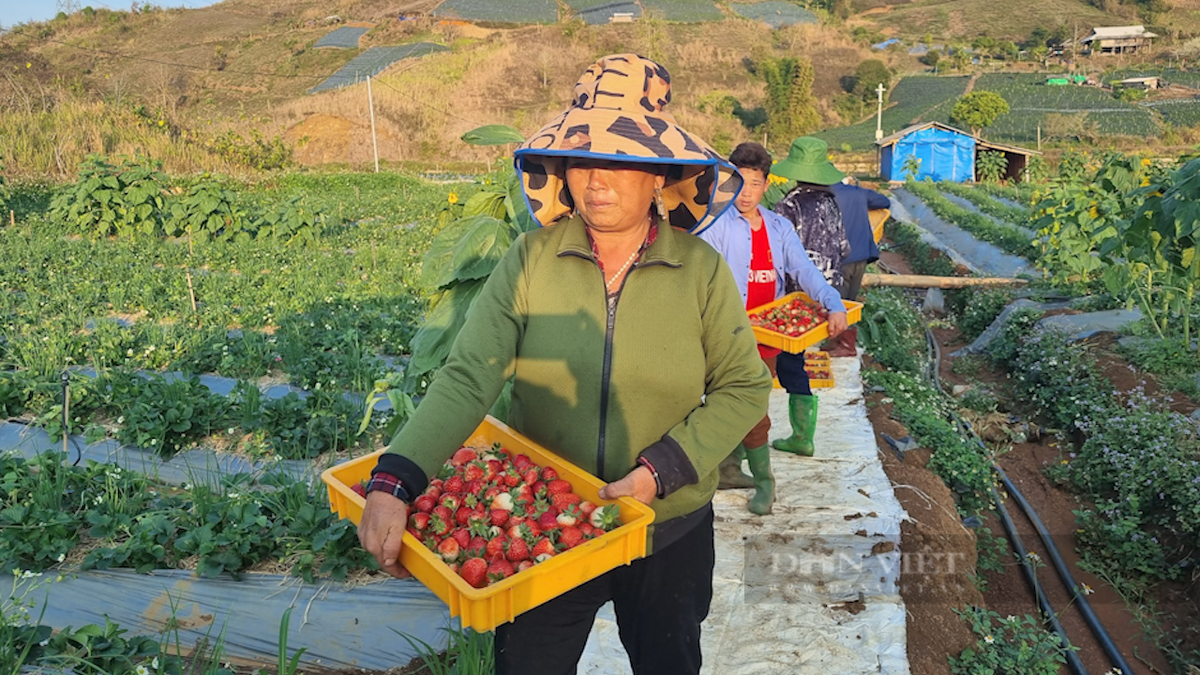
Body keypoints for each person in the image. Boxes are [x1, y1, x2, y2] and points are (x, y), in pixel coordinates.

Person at [357, 54, 770, 675]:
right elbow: (470, 375)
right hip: (546, 529)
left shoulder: (700, 270)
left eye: (618, 160)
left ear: (660, 175)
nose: (594, 179)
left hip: (667, 526)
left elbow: (743, 387)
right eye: (582, 159)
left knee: (669, 661)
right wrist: (395, 480)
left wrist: (664, 470)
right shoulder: (530, 259)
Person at [700, 142, 847, 504]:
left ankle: (751, 477)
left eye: (754, 184)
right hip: (728, 332)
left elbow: (803, 270)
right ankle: (744, 475)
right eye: (739, 183)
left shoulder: (779, 226)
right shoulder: (715, 225)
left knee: (752, 405)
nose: (745, 193)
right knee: (730, 401)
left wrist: (833, 302)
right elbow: (700, 275)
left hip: (770, 332)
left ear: (767, 184)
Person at [768, 136, 851, 456]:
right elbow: (844, 248)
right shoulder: (831, 203)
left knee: (787, 361)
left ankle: (800, 437)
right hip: (829, 293)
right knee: (796, 359)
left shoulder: (788, 205)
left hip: (797, 296)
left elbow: (781, 254)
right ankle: (802, 434)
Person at [828, 176, 890, 357]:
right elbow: (884, 201)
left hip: (840, 258)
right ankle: (839, 342)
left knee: (837, 302)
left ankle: (844, 345)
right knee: (850, 300)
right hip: (861, 256)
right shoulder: (857, 193)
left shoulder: (825, 196)